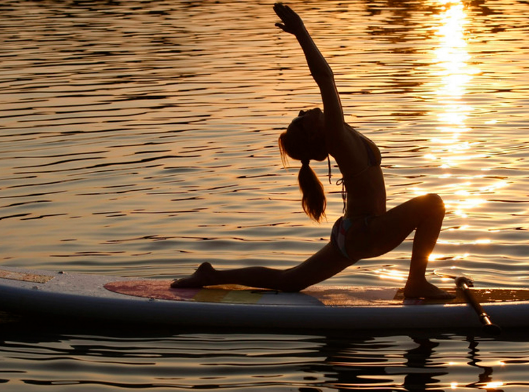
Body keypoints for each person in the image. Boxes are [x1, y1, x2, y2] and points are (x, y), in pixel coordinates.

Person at [171, 3, 453, 300]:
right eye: (301, 117)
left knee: (290, 280)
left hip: (355, 230)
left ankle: (211, 275)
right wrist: (301, 32)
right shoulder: (335, 136)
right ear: (315, 133)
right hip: (366, 231)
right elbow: (325, 77)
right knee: (433, 203)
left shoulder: (338, 135)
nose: (304, 110)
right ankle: (416, 282)